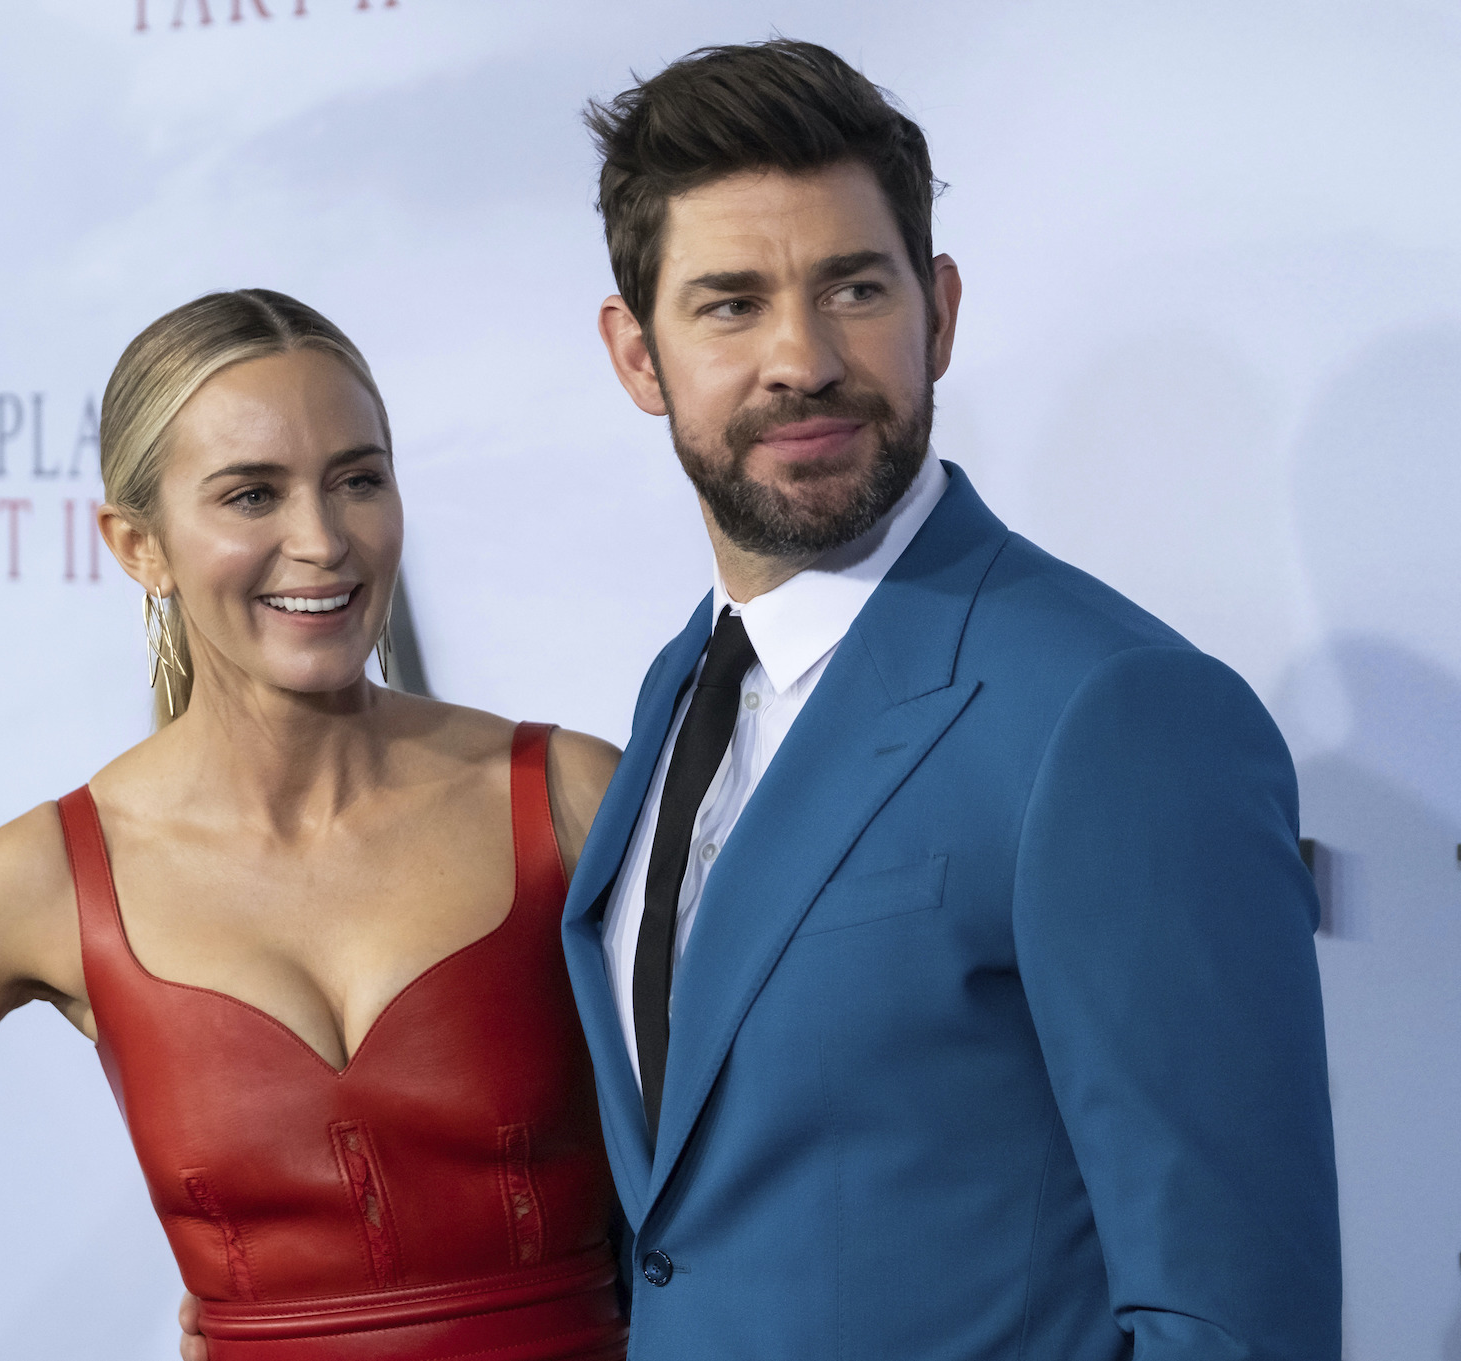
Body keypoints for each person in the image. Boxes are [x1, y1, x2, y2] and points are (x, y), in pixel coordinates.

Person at [557, 38, 1341, 1359]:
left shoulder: (1117, 711)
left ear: (941, 309)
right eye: (732, 304)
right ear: (638, 356)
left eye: (853, 287)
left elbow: (1235, 1321)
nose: (801, 359)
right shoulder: (683, 682)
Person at [0, 290, 630, 1361]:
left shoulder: (570, 796)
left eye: (357, 479)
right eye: (251, 494)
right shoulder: (53, 878)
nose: (321, 538)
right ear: (140, 546)